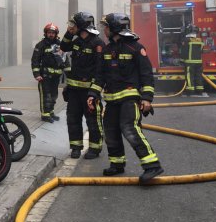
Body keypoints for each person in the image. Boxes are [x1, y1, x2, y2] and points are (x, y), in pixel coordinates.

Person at [91, 13, 164, 183]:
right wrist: (93, 94)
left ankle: (152, 165)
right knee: (110, 131)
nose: (104, 30)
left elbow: (146, 75)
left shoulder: (136, 48)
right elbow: (100, 76)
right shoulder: (107, 50)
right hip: (111, 100)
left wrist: (146, 98)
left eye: (107, 27)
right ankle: (117, 164)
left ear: (115, 27)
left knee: (129, 129)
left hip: (130, 99)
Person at [60, 11, 104, 159]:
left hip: (89, 92)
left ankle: (94, 148)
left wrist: (94, 91)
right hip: (74, 91)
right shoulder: (77, 41)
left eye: (74, 25)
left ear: (81, 26)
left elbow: (100, 70)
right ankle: (76, 147)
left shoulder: (98, 44)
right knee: (72, 119)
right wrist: (68, 33)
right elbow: (64, 47)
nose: (72, 27)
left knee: (93, 121)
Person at [31, 23, 64, 123]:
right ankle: (45, 115)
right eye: (49, 32)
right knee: (46, 95)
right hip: (44, 76)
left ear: (56, 34)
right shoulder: (40, 45)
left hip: (55, 76)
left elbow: (64, 59)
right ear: (45, 33)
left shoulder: (59, 44)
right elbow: (35, 60)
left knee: (54, 95)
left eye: (53, 33)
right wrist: (37, 75)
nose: (51, 34)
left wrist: (67, 72)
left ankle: (51, 112)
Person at [181, 24, 205, 96]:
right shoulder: (200, 39)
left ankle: (190, 90)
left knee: (189, 76)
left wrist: (182, 60)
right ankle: (199, 90)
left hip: (189, 62)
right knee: (198, 76)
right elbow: (201, 50)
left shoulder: (186, 40)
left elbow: (184, 51)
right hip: (199, 62)